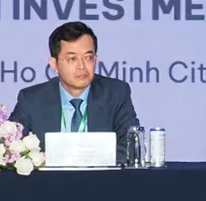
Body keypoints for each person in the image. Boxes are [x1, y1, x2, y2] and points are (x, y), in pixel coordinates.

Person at [9, 21, 139, 165]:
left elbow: (131, 147)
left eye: (88, 58)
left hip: (101, 179)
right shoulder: (31, 100)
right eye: (72, 59)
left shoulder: (116, 93)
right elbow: (12, 151)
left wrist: (87, 160)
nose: (82, 66)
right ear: (54, 64)